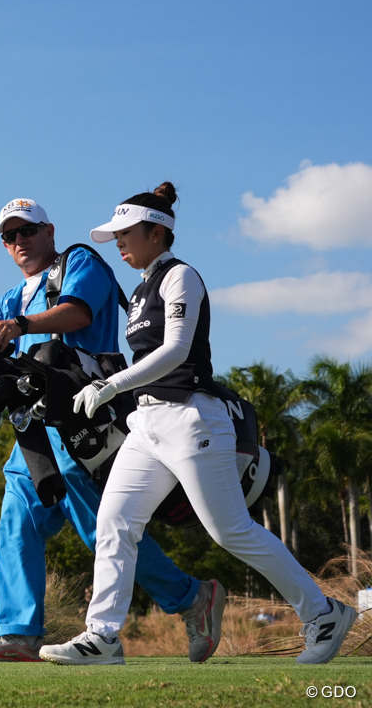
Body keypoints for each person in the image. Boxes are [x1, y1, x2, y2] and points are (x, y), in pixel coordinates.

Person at [39, 183, 356, 666]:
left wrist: (110, 387)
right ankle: (101, 637)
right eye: (116, 235)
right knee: (115, 522)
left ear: (157, 231)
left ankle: (323, 612)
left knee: (231, 531)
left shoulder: (180, 277)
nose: (119, 242)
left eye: (126, 233)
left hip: (192, 418)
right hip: (147, 425)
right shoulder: (143, 286)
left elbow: (177, 352)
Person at [0, 197, 223, 664]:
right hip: (32, 428)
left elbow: (78, 313)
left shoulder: (78, 261)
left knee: (99, 529)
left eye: (27, 230)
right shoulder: (15, 296)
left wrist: (19, 325)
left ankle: (192, 598)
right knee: (17, 522)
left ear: (49, 231)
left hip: (84, 418)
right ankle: (19, 634)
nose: (20, 241)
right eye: (10, 236)